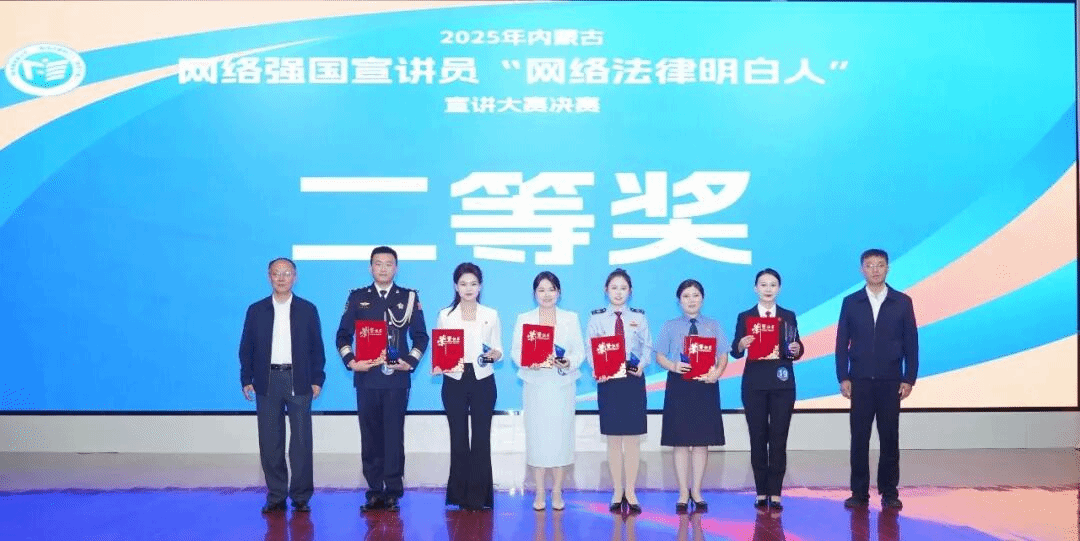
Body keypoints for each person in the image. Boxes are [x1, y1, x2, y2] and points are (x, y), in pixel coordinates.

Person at [337, 246, 429, 512]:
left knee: (393, 434)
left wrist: (409, 361)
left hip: (397, 379)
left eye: (389, 264)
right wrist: (351, 361)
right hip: (367, 377)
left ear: (396, 268)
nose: (383, 268)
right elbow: (342, 335)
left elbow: (421, 337)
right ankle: (375, 489)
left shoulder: (409, 297)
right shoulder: (357, 297)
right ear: (370, 268)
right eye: (378, 264)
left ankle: (393, 490)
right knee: (370, 435)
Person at [239, 257, 326, 514]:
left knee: (301, 441)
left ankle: (301, 496)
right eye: (276, 273)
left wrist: (317, 379)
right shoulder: (256, 310)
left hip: (299, 378)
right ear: (269, 277)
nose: (281, 278)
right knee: (270, 441)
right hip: (267, 379)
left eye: (286, 273)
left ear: (294, 277)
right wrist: (246, 378)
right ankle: (276, 495)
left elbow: (317, 347)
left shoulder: (307, 309)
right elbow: (246, 347)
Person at [836, 249, 918, 510]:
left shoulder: (902, 302)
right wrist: (843, 376)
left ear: (887, 268)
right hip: (859, 380)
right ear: (862, 269)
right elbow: (841, 342)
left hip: (890, 380)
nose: (875, 270)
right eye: (870, 265)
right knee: (859, 438)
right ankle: (859, 492)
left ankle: (889, 492)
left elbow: (911, 343)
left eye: (880, 265)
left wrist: (909, 377)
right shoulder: (851, 302)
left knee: (889, 437)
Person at [510, 271, 585, 511]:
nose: (546, 294)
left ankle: (557, 491)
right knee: (538, 440)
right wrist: (527, 361)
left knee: (561, 440)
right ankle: (540, 491)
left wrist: (568, 361)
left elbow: (580, 352)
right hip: (536, 385)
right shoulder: (524, 318)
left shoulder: (570, 318)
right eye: (541, 290)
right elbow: (515, 352)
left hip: (562, 386)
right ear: (534, 293)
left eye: (551, 289)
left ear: (558, 293)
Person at [730, 268, 804, 510]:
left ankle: (776, 492)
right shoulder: (745, 317)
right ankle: (761, 491)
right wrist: (741, 344)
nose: (768, 289)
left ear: (779, 289)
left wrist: (797, 349)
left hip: (782, 384)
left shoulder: (788, 315)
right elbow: (735, 350)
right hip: (754, 385)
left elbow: (796, 346)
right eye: (763, 285)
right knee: (758, 437)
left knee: (779, 438)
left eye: (773, 285)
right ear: (756, 288)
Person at [433, 262, 503, 510]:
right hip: (454, 380)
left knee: (481, 437)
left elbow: (498, 349)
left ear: (480, 286)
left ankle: (480, 497)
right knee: (459, 437)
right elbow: (441, 347)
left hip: (483, 379)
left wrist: (495, 354)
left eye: (473, 283)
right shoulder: (445, 315)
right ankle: (459, 496)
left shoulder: (491, 314)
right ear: (456, 286)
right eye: (463, 284)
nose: (468, 288)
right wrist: (439, 363)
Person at [655, 279, 728, 514]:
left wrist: (717, 372)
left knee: (700, 441)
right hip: (679, 385)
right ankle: (682, 493)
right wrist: (673, 366)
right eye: (686, 296)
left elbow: (723, 355)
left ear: (702, 299)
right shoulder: (670, 326)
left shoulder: (713, 325)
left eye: (695, 295)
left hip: (705, 385)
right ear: (679, 301)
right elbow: (659, 355)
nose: (691, 300)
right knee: (680, 441)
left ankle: (696, 491)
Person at [585, 268, 651, 514]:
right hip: (608, 381)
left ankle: (630, 491)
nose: (619, 292)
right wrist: (598, 369)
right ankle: (616, 490)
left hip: (632, 380)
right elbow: (590, 349)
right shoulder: (596, 318)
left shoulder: (639, 317)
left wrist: (642, 364)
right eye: (614, 288)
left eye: (623, 288)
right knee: (613, 439)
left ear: (630, 291)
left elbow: (647, 346)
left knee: (632, 440)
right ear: (606, 290)